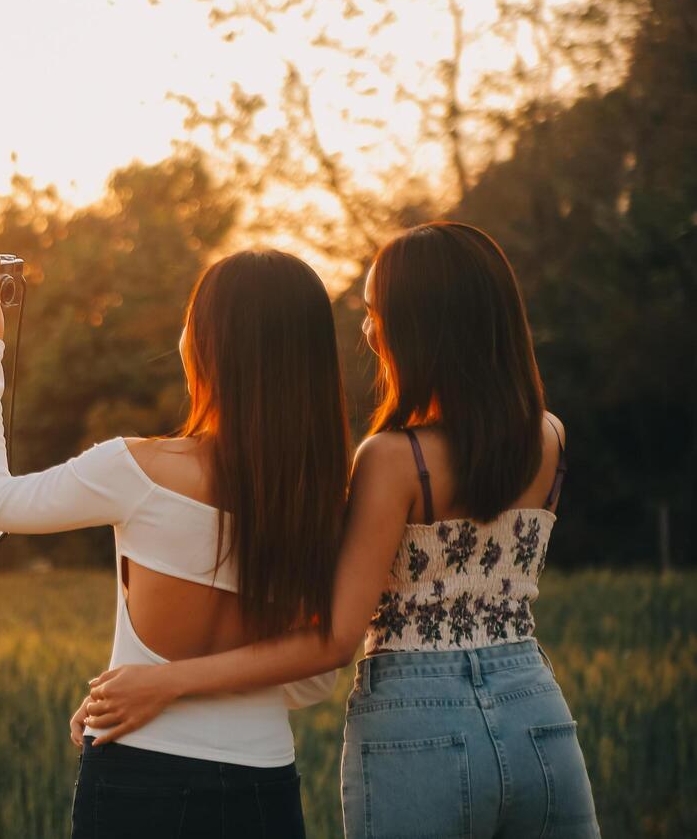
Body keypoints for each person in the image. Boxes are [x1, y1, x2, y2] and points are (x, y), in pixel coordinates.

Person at [79, 222, 601, 837]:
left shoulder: (392, 459)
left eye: (377, 315)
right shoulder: (549, 436)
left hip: (420, 719)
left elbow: (332, 640)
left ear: (421, 329)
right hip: (533, 703)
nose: (369, 332)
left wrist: (162, 682)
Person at [0, 247, 349, 838]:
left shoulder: (137, 469)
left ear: (209, 347)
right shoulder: (326, 502)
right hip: (264, 786)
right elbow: (311, 680)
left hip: (139, 777)